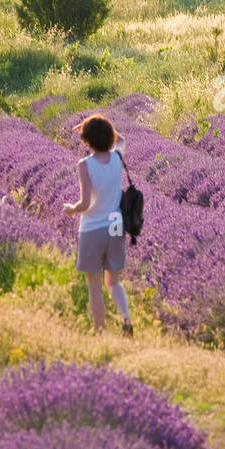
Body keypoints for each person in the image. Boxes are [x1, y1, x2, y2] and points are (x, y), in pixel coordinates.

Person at [62, 115, 132, 337]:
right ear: (109, 137)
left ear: (86, 140)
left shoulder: (85, 165)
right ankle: (126, 319)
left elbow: (84, 203)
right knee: (113, 281)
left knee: (94, 283)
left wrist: (71, 209)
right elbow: (122, 140)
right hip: (115, 225)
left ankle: (101, 332)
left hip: (93, 226)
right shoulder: (118, 158)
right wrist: (107, 127)